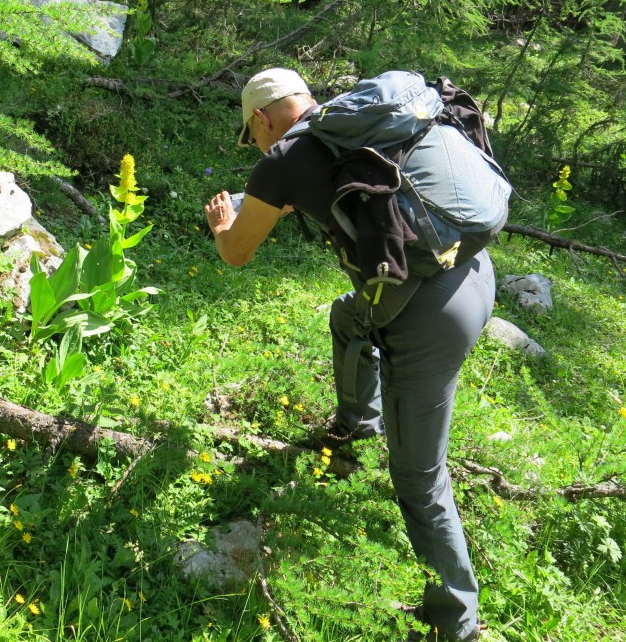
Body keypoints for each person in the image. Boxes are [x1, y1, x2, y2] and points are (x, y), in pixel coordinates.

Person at [204, 68, 493, 642]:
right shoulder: (357, 125)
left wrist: (222, 226)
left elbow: (237, 253)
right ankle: (357, 426)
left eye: (253, 135)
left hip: (429, 317)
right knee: (348, 315)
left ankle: (454, 623)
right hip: (473, 271)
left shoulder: (282, 158)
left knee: (419, 479)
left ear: (262, 118)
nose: (257, 147)